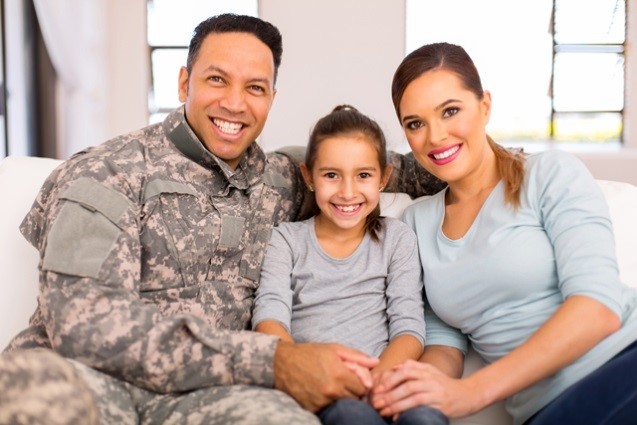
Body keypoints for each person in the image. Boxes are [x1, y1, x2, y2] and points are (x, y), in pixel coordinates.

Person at [0, 14, 446, 425]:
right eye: (217, 79)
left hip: (212, 397)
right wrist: (272, 360)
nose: (235, 103)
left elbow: (416, 167)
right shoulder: (107, 171)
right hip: (91, 382)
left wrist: (509, 169)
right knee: (31, 393)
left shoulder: (287, 177)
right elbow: (82, 324)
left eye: (255, 87)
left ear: (272, 98)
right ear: (183, 82)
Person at [368, 42, 637, 425]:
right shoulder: (416, 223)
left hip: (623, 361)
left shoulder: (549, 175)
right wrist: (412, 389)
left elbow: (599, 310)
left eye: (450, 111)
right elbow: (444, 340)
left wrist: (470, 394)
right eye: (415, 124)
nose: (436, 136)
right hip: (543, 409)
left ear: (485, 106)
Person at [252, 105, 448, 425]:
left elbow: (409, 327)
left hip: (384, 380)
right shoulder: (286, 240)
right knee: (353, 417)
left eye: (363, 175)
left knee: (426, 418)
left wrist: (377, 383)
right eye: (331, 175)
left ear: (383, 178)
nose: (347, 192)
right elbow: (269, 317)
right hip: (325, 390)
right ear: (309, 177)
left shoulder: (396, 239)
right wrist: (308, 371)